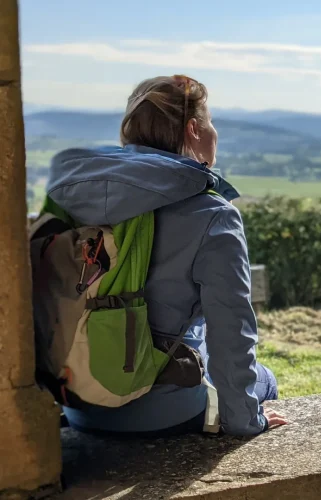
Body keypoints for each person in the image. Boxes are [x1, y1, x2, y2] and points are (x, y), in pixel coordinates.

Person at [50, 75, 286, 436]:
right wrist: (246, 424)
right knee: (265, 380)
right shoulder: (213, 215)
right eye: (211, 123)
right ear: (193, 129)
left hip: (78, 401)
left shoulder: (73, 192)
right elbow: (233, 335)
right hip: (162, 411)